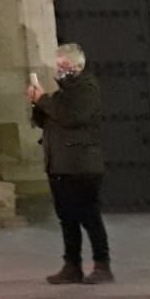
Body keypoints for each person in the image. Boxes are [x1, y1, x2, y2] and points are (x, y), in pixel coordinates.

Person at [28, 43, 111, 284]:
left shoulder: (87, 88)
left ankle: (102, 265)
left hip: (81, 166)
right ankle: (71, 265)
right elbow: (46, 121)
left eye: (63, 65)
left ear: (77, 66)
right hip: (60, 166)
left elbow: (72, 118)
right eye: (58, 65)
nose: (59, 70)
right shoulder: (61, 94)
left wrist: (45, 100)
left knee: (89, 216)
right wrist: (36, 102)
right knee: (67, 218)